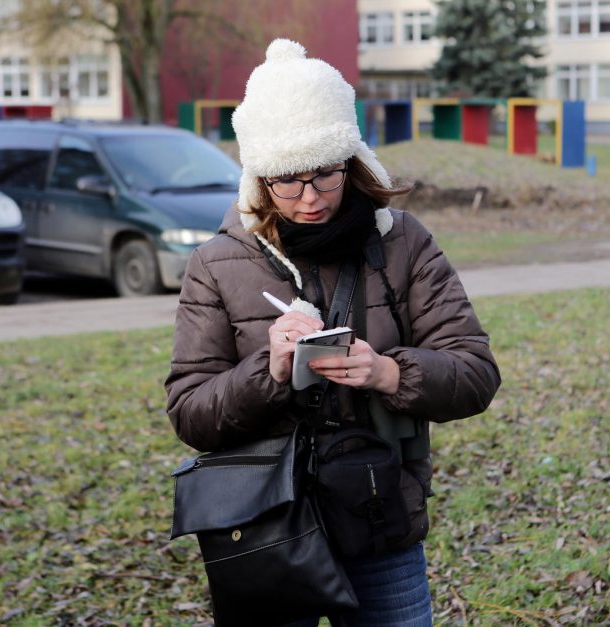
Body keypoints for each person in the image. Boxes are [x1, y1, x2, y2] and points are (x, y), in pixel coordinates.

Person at [165, 39, 500, 626]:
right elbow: (190, 413)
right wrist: (266, 371)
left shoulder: (403, 242)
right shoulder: (215, 263)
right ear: (258, 179)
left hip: (378, 515)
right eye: (286, 183)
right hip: (266, 526)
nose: (309, 198)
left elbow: (475, 372)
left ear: (352, 160)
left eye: (325, 175)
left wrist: (389, 372)